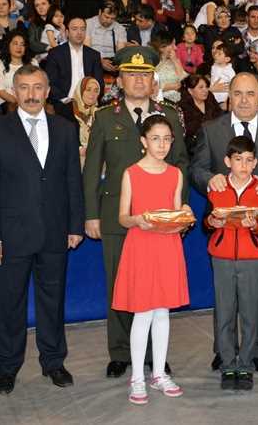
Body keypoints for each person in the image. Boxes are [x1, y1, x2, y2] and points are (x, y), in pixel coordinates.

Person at [0, 64, 84, 395]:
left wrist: (75, 225)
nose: (32, 94)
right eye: (24, 87)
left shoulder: (66, 129)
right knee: (10, 303)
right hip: (11, 236)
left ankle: (53, 361)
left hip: (54, 232)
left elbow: (72, 181)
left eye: (38, 87)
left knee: (53, 302)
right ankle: (7, 367)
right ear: (14, 91)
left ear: (47, 91)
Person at [83, 46, 189, 380]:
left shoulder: (170, 114)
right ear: (120, 79)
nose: (138, 81)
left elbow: (181, 162)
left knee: (157, 287)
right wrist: (91, 215)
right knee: (120, 284)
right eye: (132, 74)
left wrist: (178, 213)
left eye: (144, 75)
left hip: (160, 220)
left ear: (153, 79)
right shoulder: (104, 116)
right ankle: (119, 352)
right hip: (118, 215)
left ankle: (154, 357)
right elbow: (91, 169)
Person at [190, 72, 258, 373]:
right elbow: (196, 168)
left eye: (250, 93)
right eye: (238, 93)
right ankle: (225, 349)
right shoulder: (211, 130)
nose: (244, 100)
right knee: (226, 294)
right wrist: (211, 179)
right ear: (228, 96)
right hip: (223, 229)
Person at [112, 113, 190, 404]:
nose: (162, 145)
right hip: (141, 245)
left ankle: (159, 373)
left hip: (167, 246)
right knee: (143, 313)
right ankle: (137, 378)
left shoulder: (175, 174)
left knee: (163, 312)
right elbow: (122, 216)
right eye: (155, 139)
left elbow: (174, 212)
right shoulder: (131, 173)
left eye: (167, 139)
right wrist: (137, 220)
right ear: (143, 141)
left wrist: (182, 220)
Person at [205, 135, 258, 391]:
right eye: (237, 160)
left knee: (249, 313)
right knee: (224, 312)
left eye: (248, 160)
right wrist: (213, 222)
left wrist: (256, 227)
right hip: (221, 257)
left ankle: (245, 364)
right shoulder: (217, 188)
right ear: (227, 161)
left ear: (255, 163)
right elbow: (205, 223)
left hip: (253, 259)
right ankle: (227, 363)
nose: (243, 165)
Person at [45, 16, 104, 125]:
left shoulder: (94, 55)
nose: (79, 33)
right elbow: (50, 83)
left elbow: (99, 83)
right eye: (75, 29)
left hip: (89, 103)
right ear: (67, 32)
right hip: (65, 102)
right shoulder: (55, 54)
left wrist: (89, 100)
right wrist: (68, 100)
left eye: (82, 29)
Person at [179, 73, 223, 153]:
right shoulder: (182, 106)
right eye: (201, 87)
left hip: (216, 140)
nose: (205, 90)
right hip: (195, 146)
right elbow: (190, 130)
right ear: (190, 91)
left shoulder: (210, 97)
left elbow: (220, 116)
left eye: (206, 87)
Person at [85, 0, 128, 73]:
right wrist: (100, 61)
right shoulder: (88, 24)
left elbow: (120, 53)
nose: (109, 21)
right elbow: (86, 50)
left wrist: (117, 64)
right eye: (106, 17)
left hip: (111, 61)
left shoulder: (120, 29)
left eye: (112, 18)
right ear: (100, 12)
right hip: (92, 61)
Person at [72, 76, 101, 167]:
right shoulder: (66, 110)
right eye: (88, 89)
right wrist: (79, 148)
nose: (92, 94)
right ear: (80, 91)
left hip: (94, 160)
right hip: (73, 159)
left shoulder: (99, 113)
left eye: (96, 91)